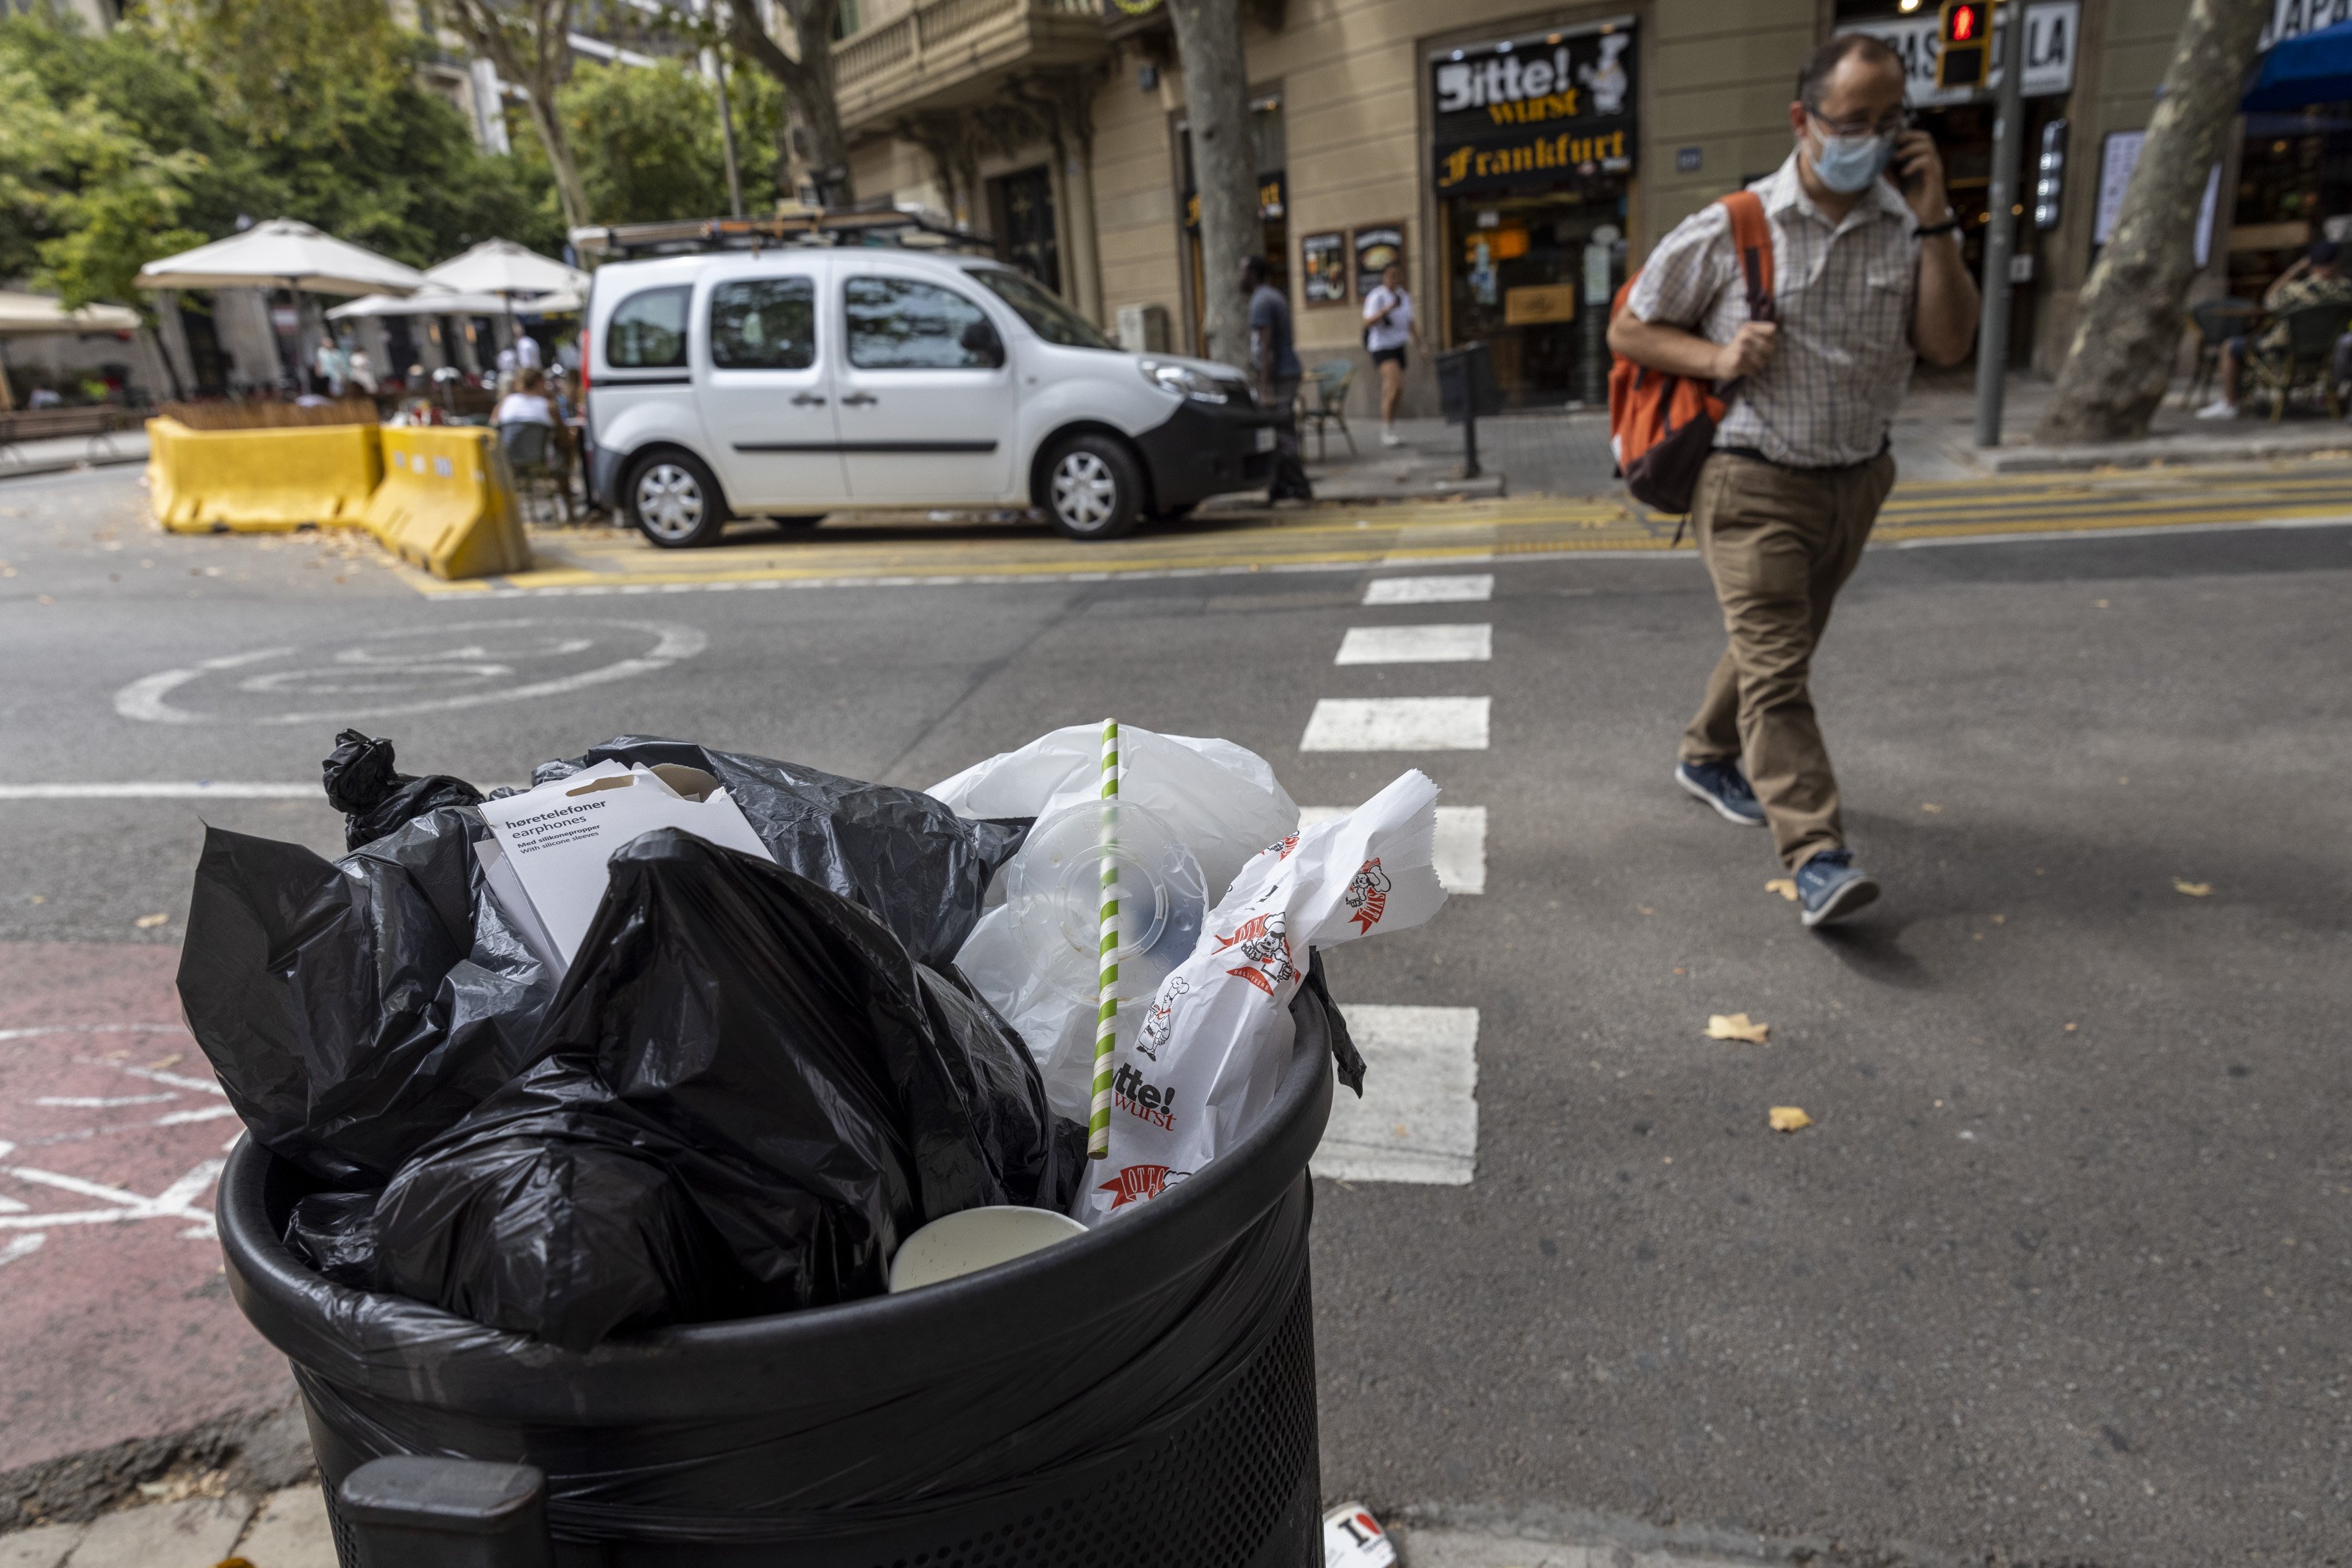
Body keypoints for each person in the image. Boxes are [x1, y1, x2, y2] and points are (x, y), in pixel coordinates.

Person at [1607, 33, 1979, 928]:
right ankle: (1816, 854)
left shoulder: (1908, 224)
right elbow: (1630, 329)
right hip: (1750, 479)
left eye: (1891, 121)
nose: (1872, 139)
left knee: (1783, 643)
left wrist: (1934, 220)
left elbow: (1948, 343)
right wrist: (1717, 353)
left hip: (1856, 478)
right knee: (1778, 665)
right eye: (1853, 122)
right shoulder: (1734, 225)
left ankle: (1704, 755)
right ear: (1801, 120)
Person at [2196, 240, 2352, 419]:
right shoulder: (2347, 290)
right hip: (2327, 354)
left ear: (2310, 263)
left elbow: (2269, 300)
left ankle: (2230, 403)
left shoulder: (2298, 290)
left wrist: (2295, 269)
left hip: (2283, 351)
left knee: (2230, 346)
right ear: (2337, 263)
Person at [1242, 255, 1312, 502]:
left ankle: (1300, 485)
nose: (1239, 277)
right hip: (1285, 372)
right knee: (1280, 429)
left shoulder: (1261, 301)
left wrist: (1265, 388)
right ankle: (1280, 486)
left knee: (1281, 431)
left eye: (1243, 270)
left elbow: (1265, 348)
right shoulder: (1272, 296)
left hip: (1279, 376)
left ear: (1253, 274)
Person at [1361, 262, 1425, 447]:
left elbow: (1411, 323)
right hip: (1381, 346)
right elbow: (1368, 321)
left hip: (1398, 345)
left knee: (1397, 389)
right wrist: (1386, 309)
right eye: (1390, 275)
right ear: (1383, 276)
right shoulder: (1377, 296)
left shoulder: (1404, 296)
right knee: (1394, 386)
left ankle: (1390, 425)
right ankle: (1386, 430)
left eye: (1397, 275)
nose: (1394, 279)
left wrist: (1422, 347)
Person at [492, 365, 556, 428]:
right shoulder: (548, 406)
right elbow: (562, 432)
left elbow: (494, 427)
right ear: (539, 383)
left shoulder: (504, 403)